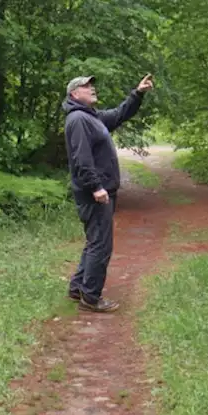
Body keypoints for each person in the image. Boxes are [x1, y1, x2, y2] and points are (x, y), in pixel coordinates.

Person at [63, 73, 154, 313]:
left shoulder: (92, 117)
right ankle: (91, 298)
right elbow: (81, 160)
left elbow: (119, 114)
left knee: (95, 241)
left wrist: (137, 93)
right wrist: (96, 187)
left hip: (100, 191)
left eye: (92, 84)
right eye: (86, 86)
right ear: (74, 94)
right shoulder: (78, 120)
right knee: (101, 245)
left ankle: (77, 287)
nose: (92, 88)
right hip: (95, 193)